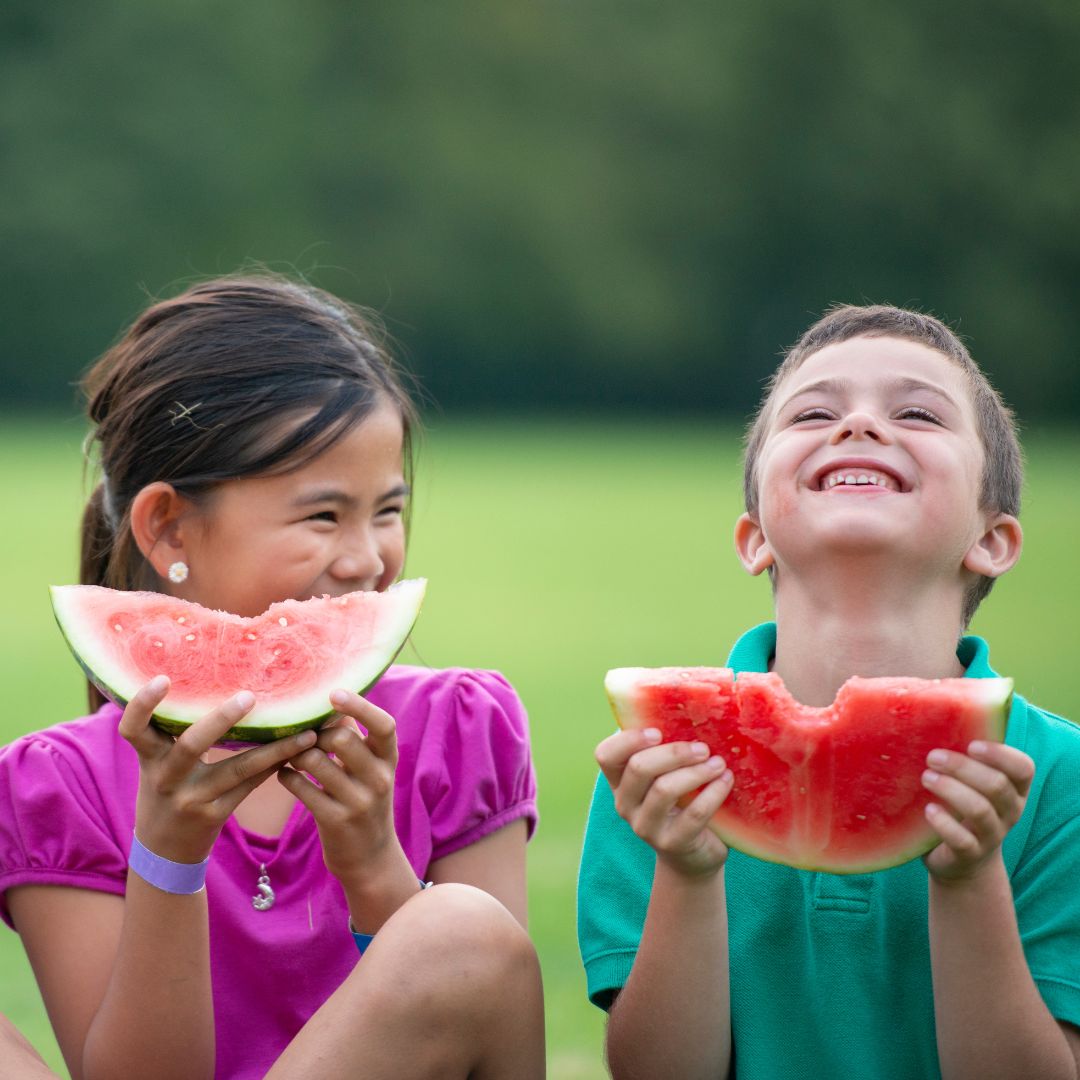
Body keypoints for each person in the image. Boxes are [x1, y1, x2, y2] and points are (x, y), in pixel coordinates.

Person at [0, 274, 545, 1080]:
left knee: (459, 928)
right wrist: (168, 858)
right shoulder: (58, 789)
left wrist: (373, 868)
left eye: (387, 511)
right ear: (168, 526)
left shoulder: (460, 729)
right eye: (323, 516)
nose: (368, 558)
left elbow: (486, 1025)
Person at [577, 304, 1080, 1079]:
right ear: (754, 538)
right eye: (815, 413)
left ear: (993, 540)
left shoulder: (1058, 780)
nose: (860, 427)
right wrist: (686, 871)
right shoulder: (661, 768)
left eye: (916, 412)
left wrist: (972, 877)